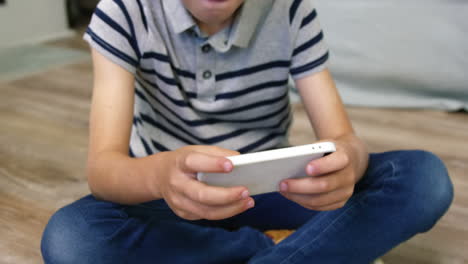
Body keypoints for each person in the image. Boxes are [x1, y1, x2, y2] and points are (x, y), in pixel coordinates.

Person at [40, 0, 454, 263]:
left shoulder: (290, 11)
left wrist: (346, 163)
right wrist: (160, 175)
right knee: (71, 238)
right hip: (170, 198)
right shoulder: (124, 12)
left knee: (423, 178)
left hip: (274, 189)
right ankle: (295, 250)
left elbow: (343, 141)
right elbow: (103, 168)